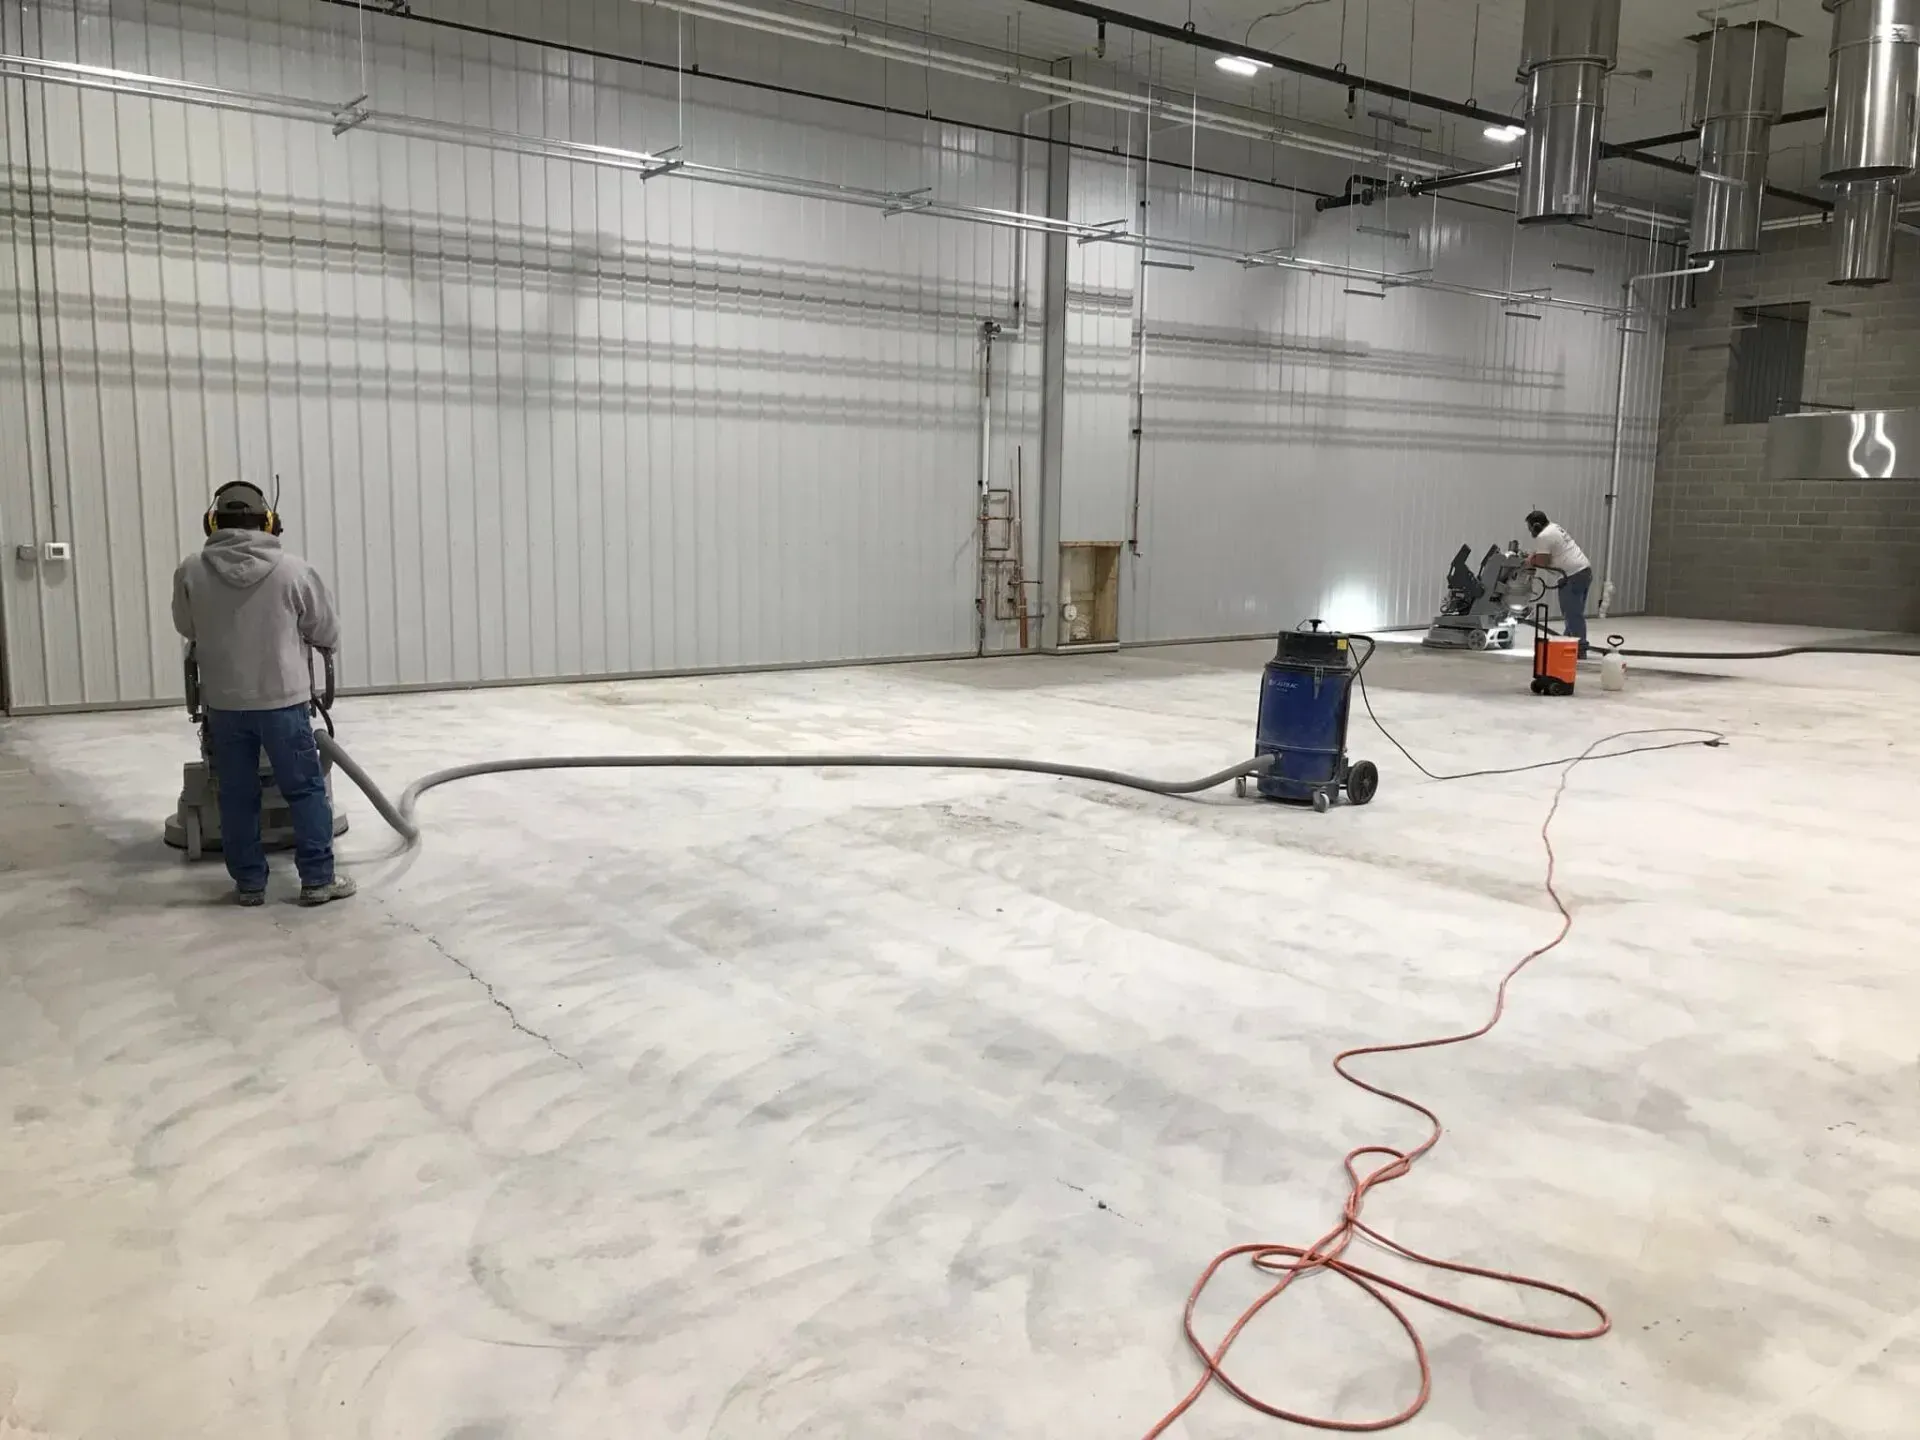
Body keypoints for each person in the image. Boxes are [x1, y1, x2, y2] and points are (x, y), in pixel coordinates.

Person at [171, 481, 355, 907]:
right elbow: (325, 630)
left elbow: (186, 626)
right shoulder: (294, 570)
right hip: (284, 703)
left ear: (212, 523)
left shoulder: (191, 570)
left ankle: (250, 884)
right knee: (305, 790)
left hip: (225, 704)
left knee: (236, 796)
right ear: (269, 522)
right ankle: (316, 880)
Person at [1525, 509, 1595, 659]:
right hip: (1583, 571)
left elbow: (1543, 561)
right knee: (1573, 612)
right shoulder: (1554, 528)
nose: (1530, 532)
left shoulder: (1544, 536)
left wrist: (1530, 560)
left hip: (1572, 575)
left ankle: (1579, 648)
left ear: (1536, 526)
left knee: (1572, 614)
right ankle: (1568, 644)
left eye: (1530, 528)